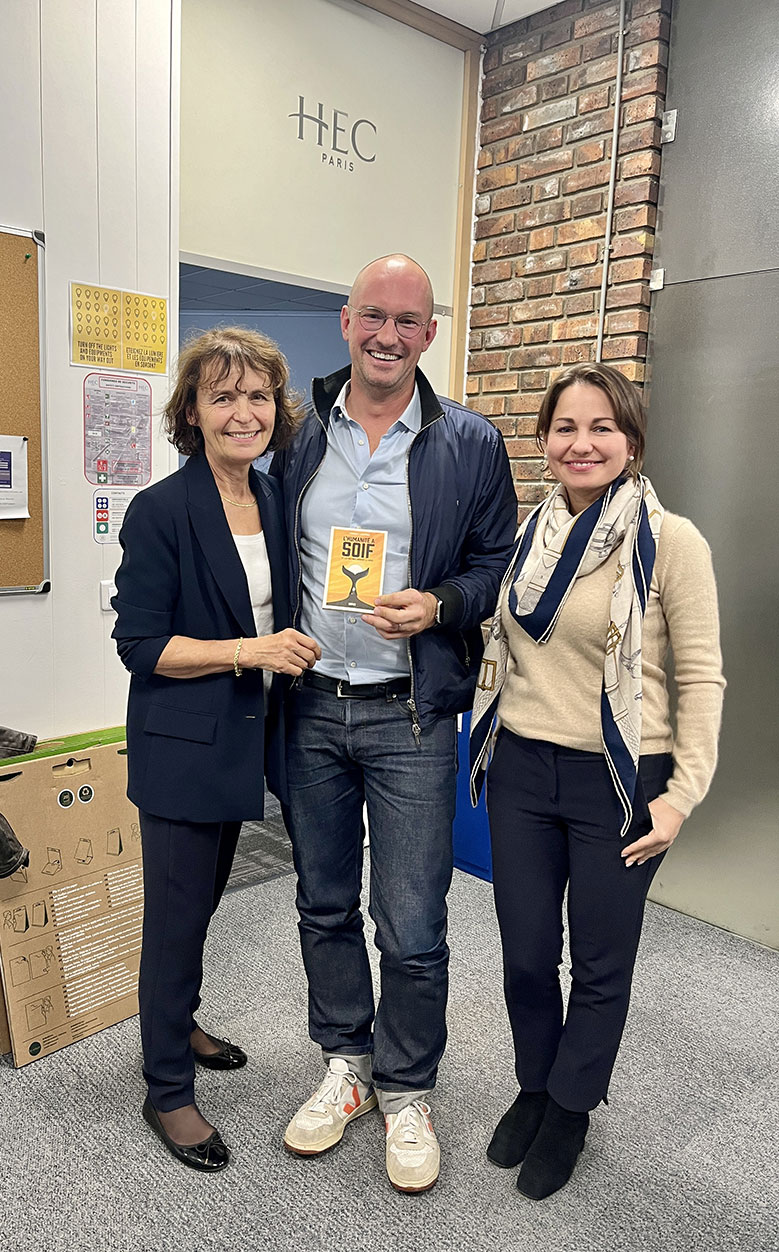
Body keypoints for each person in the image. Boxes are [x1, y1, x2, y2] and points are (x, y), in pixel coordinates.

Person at [270, 254, 517, 1193]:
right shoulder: (298, 434)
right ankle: (346, 1065)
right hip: (308, 708)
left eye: (407, 320)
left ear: (430, 334)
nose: (387, 335)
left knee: (411, 922)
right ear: (345, 322)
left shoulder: (470, 441)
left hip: (410, 714)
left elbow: (493, 564)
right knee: (322, 904)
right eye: (372, 315)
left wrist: (441, 605)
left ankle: (406, 1088)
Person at [469, 362, 725, 1200]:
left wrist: (680, 795)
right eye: (565, 428)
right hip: (520, 768)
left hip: (620, 779)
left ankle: (571, 1106)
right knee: (525, 953)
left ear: (631, 441)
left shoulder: (671, 541)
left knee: (600, 960)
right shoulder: (529, 536)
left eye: (601, 428)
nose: (581, 444)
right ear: (544, 441)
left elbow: (702, 677)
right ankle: (534, 1086)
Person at [112, 327, 321, 1173]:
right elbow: (140, 645)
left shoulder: (276, 499)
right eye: (223, 396)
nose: (244, 412)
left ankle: (180, 1022)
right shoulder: (161, 509)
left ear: (278, 408)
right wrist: (249, 652)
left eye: (258, 396)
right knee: (173, 920)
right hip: (182, 745)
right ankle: (166, 1087)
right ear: (191, 412)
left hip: (247, 737)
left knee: (200, 906)